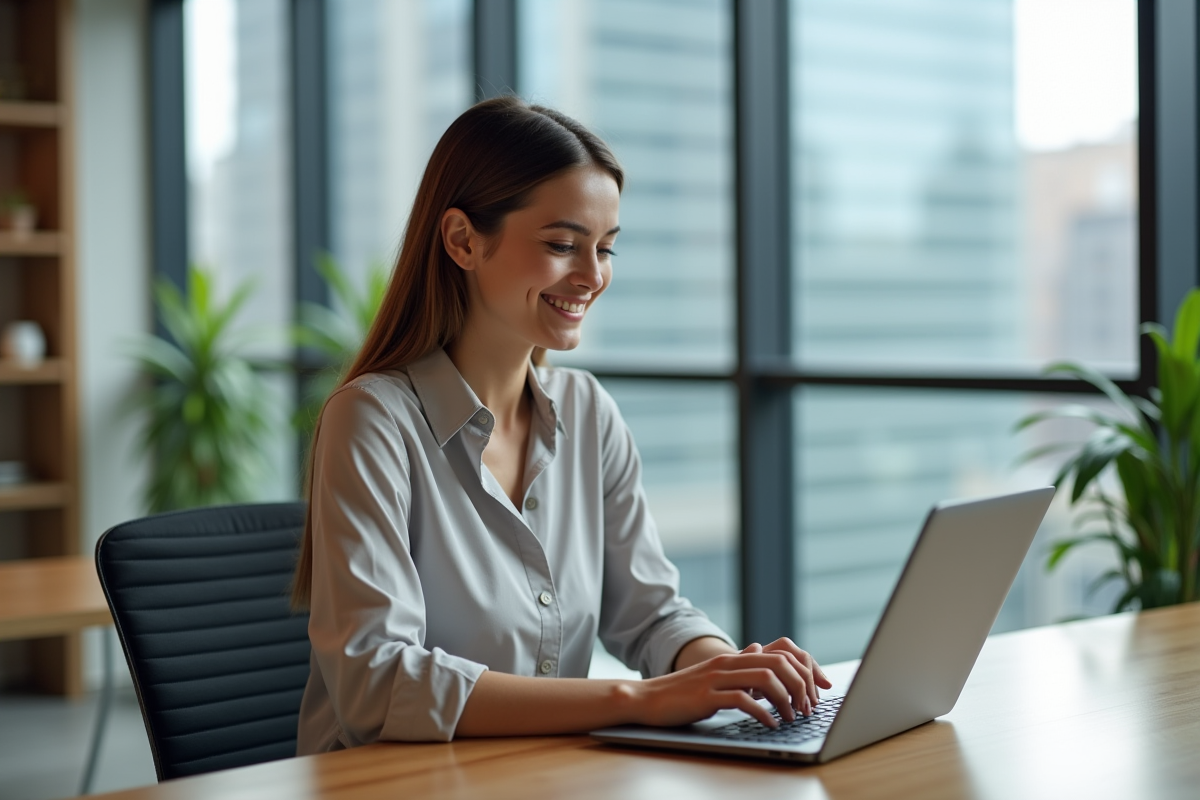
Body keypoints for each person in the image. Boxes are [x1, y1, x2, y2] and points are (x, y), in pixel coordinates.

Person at [291, 96, 831, 754]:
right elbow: (376, 683)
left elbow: (651, 613)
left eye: (605, 249)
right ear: (463, 240)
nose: (593, 275)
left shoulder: (586, 411)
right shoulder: (372, 422)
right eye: (561, 245)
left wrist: (726, 674)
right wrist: (641, 699)